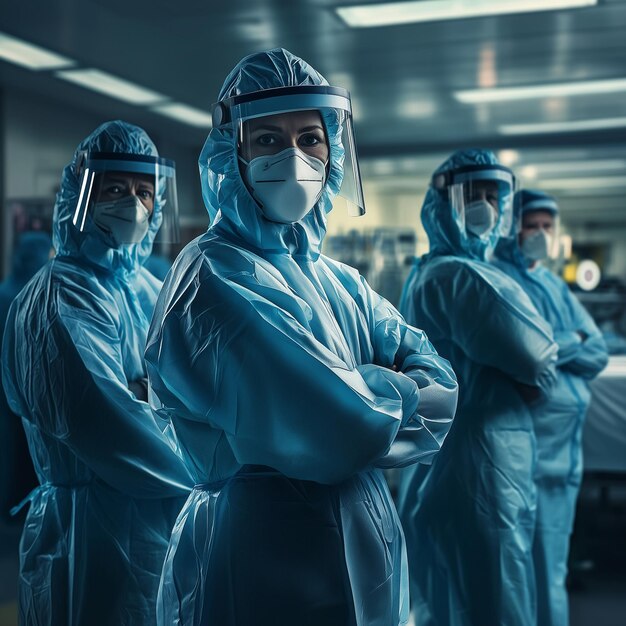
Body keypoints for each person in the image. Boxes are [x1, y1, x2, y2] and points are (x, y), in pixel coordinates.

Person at [145, 48, 459, 626]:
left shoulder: (338, 278)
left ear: (334, 152)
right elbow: (340, 429)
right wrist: (385, 392)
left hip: (367, 537)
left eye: (310, 138)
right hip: (263, 545)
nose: (293, 158)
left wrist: (363, 392)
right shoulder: (211, 276)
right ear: (229, 154)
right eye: (267, 139)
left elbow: (441, 381)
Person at [1, 120, 193, 625]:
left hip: (167, 531)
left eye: (144, 191)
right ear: (81, 196)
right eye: (114, 188)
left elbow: (204, 389)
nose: (132, 203)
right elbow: (119, 434)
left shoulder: (153, 291)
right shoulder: (57, 299)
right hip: (89, 537)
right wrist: (209, 451)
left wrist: (150, 395)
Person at [395, 149, 559, 626]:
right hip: (481, 460)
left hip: (452, 461)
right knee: (495, 594)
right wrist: (533, 377)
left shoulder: (434, 271)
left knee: (451, 595)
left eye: (493, 196)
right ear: (442, 203)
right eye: (473, 195)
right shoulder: (456, 274)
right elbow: (539, 356)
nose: (484, 206)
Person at [493, 189, 608, 626]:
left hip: (565, 456)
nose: (540, 234)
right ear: (512, 227)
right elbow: (528, 357)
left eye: (547, 226)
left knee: (553, 566)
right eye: (531, 225)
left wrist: (559, 344)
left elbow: (594, 351)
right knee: (524, 571)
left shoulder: (554, 284)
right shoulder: (501, 281)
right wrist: (569, 342)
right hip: (530, 449)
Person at [0, 231, 52, 522]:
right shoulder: (30, 297)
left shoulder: (7, 292)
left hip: (13, 395)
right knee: (22, 457)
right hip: (26, 395)